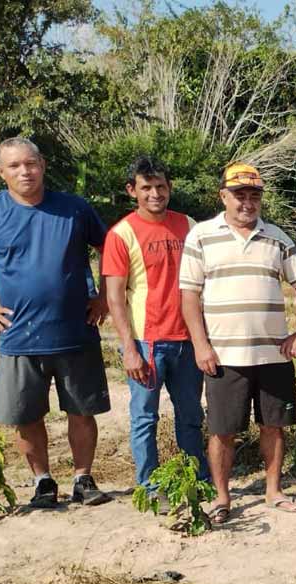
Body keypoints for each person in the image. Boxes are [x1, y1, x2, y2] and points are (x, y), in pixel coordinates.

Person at [0, 137, 111, 508]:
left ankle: (83, 478)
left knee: (81, 410)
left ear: (42, 164)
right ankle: (42, 481)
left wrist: (104, 297)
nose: (24, 171)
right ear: (1, 172)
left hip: (75, 331)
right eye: (14, 166)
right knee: (25, 415)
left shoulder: (74, 209)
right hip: (19, 336)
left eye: (31, 163)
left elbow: (110, 248)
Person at [179, 162, 296, 523]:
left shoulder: (278, 237)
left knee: (274, 425)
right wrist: (200, 344)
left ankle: (273, 491)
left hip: (273, 354)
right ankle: (223, 497)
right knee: (222, 429)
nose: (247, 203)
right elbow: (189, 294)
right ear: (223, 196)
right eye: (239, 195)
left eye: (254, 196)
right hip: (223, 355)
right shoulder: (202, 236)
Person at [103, 156, 209, 490]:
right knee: (145, 419)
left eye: (160, 186)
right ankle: (149, 487)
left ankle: (197, 479)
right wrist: (129, 348)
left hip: (188, 341)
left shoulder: (189, 225)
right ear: (131, 190)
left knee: (191, 417)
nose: (155, 194)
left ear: (170, 188)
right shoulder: (121, 234)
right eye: (146, 187)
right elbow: (115, 297)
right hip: (147, 342)